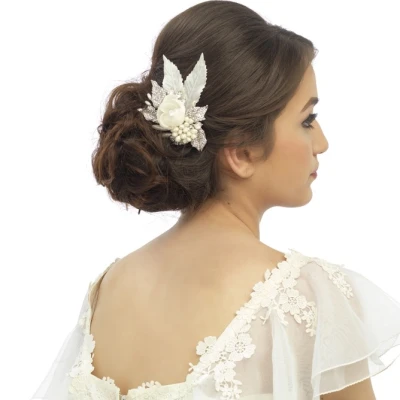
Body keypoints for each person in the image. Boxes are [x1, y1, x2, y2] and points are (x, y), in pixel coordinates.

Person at [30, 1, 400, 399]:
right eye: (307, 120)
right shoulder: (306, 299)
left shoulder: (110, 287)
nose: (322, 143)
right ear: (241, 153)